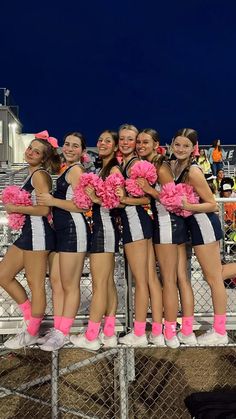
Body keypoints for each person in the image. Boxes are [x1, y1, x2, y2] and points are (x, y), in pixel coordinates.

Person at [135, 128, 195, 348]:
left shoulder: (160, 165)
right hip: (171, 224)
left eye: (146, 142)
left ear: (157, 144)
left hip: (167, 224)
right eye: (139, 142)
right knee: (180, 278)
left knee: (169, 281)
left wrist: (150, 191)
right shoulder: (157, 164)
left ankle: (170, 333)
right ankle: (186, 330)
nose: (141, 145)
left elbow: (173, 198)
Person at [1, 132, 61, 349]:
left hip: (39, 235)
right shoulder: (31, 173)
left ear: (44, 157)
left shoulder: (40, 175)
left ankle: (32, 331)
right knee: (3, 275)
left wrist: (15, 208)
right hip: (27, 234)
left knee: (36, 285)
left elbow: (45, 209)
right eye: (30, 148)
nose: (30, 152)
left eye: (37, 151)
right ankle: (30, 321)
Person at [171, 128, 230, 345]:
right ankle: (219, 330)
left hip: (204, 224)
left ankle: (220, 332)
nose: (181, 149)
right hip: (193, 226)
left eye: (186, 146)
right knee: (214, 274)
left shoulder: (193, 171)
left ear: (193, 148)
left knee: (214, 278)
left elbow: (213, 204)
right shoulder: (176, 166)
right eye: (177, 144)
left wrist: (188, 205)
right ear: (172, 144)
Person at [36, 132, 91, 351]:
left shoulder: (76, 170)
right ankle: (58, 328)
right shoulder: (65, 170)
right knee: (57, 282)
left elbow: (83, 205)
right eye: (67, 144)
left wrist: (52, 201)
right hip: (60, 231)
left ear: (82, 152)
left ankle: (63, 332)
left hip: (72, 230)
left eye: (75, 146)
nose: (69, 148)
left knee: (69, 284)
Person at [70, 130, 121, 350]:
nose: (102, 143)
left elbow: (119, 202)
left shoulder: (115, 169)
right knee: (107, 283)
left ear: (115, 146)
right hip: (102, 227)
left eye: (108, 141)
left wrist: (93, 198)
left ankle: (92, 335)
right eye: (99, 139)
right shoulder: (102, 168)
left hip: (105, 228)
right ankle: (108, 332)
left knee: (99, 284)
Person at [115, 124, 164, 347]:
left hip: (136, 222)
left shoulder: (135, 165)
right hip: (138, 222)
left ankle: (139, 332)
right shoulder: (127, 163)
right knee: (150, 279)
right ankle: (156, 330)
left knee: (141, 281)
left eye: (130, 139)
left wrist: (124, 200)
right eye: (122, 139)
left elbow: (147, 198)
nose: (125, 142)